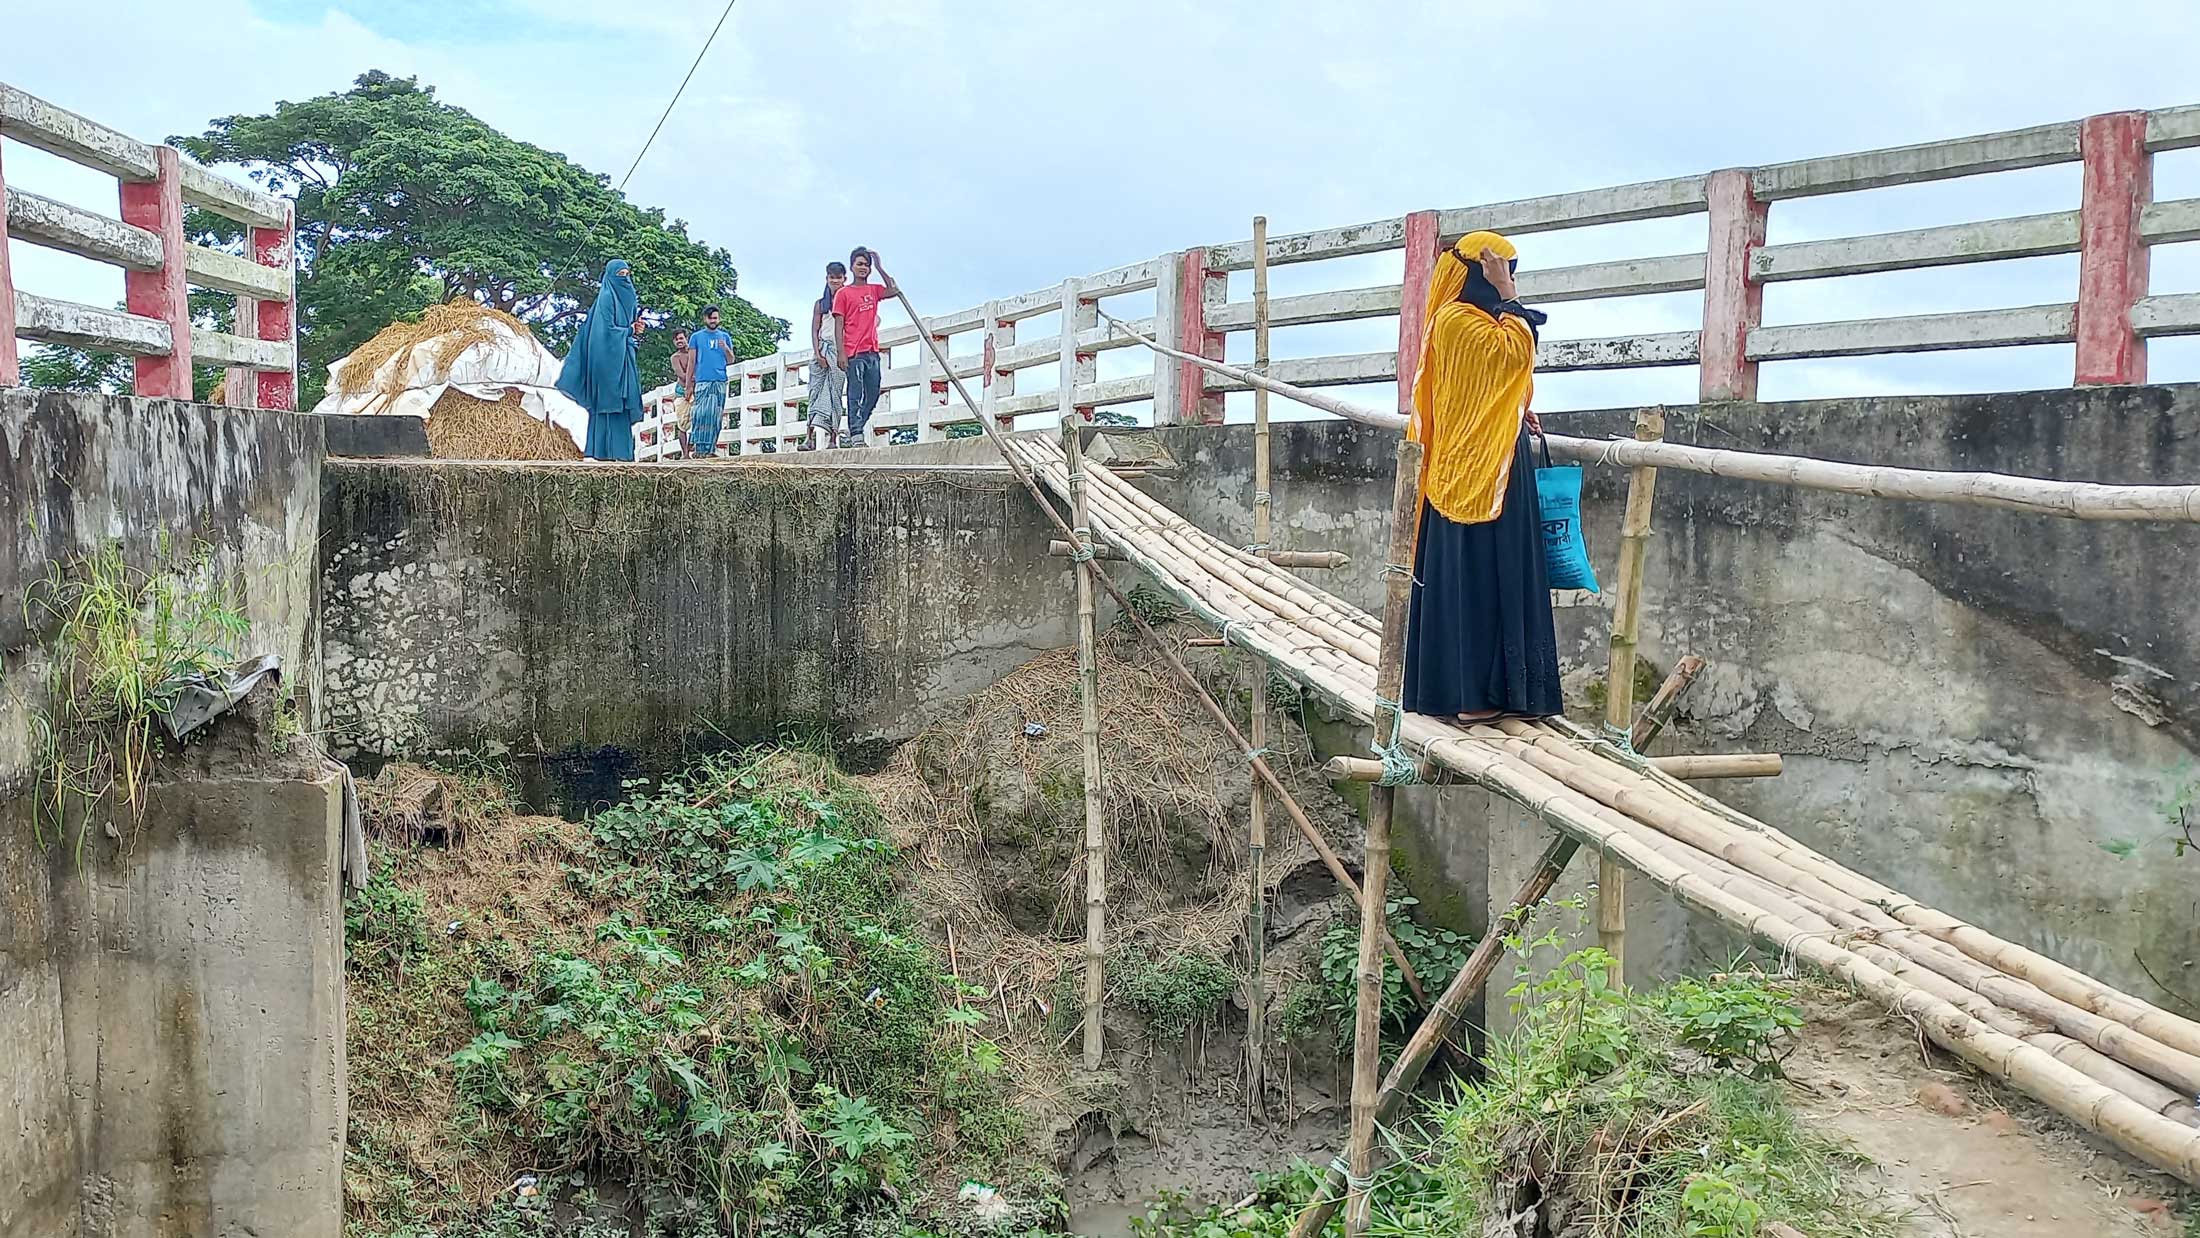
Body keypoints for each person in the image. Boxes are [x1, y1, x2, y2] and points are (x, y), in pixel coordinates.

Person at [1401, 230, 1561, 724]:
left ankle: (1499, 694)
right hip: (1478, 470)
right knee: (1480, 577)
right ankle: (1473, 696)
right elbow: (1514, 355)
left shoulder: (1465, 322)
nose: (1506, 282)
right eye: (1501, 272)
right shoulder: (1457, 321)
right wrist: (1510, 298)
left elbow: (1489, 388)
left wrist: (1517, 411)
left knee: (1489, 574)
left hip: (1489, 460)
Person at [556, 259, 645, 461]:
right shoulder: (606, 297)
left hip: (623, 356)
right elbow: (606, 332)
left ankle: (620, 452)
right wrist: (629, 331)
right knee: (608, 402)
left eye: (627, 274)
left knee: (621, 405)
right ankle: (602, 451)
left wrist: (634, 331)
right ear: (611, 277)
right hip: (605, 361)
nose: (625, 280)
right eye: (620, 275)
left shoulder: (625, 299)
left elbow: (624, 329)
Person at [832, 247, 896, 448]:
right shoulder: (843, 293)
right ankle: (857, 433)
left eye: (866, 265)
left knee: (873, 391)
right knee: (855, 392)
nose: (863, 268)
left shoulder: (874, 290)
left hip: (872, 350)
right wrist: (841, 352)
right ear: (852, 267)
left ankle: (855, 428)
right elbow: (838, 325)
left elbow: (894, 289)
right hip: (853, 351)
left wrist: (879, 266)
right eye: (860, 264)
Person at [806, 261, 849, 450]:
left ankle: (833, 438)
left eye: (838, 277)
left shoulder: (848, 300)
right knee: (814, 393)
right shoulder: (820, 304)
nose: (835, 281)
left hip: (840, 352)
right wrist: (818, 354)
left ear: (844, 279)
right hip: (823, 350)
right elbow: (815, 330)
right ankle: (809, 437)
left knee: (835, 395)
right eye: (832, 277)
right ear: (827, 278)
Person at [688, 305, 736, 459]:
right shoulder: (696, 337)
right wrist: (689, 384)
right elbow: (692, 361)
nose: (713, 321)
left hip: (719, 380)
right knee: (700, 414)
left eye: (715, 318)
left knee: (715, 416)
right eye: (710, 318)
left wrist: (726, 348)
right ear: (705, 319)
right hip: (702, 381)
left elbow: (731, 360)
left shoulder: (725, 337)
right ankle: (699, 448)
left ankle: (710, 449)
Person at [669, 327, 696, 456]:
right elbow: (681, 374)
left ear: (686, 339)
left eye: (681, 338)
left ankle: (693, 447)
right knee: (682, 424)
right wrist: (690, 384)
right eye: (676, 339)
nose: (679, 341)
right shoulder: (675, 357)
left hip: (697, 390)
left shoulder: (694, 353)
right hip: (681, 391)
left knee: (698, 419)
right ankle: (685, 453)